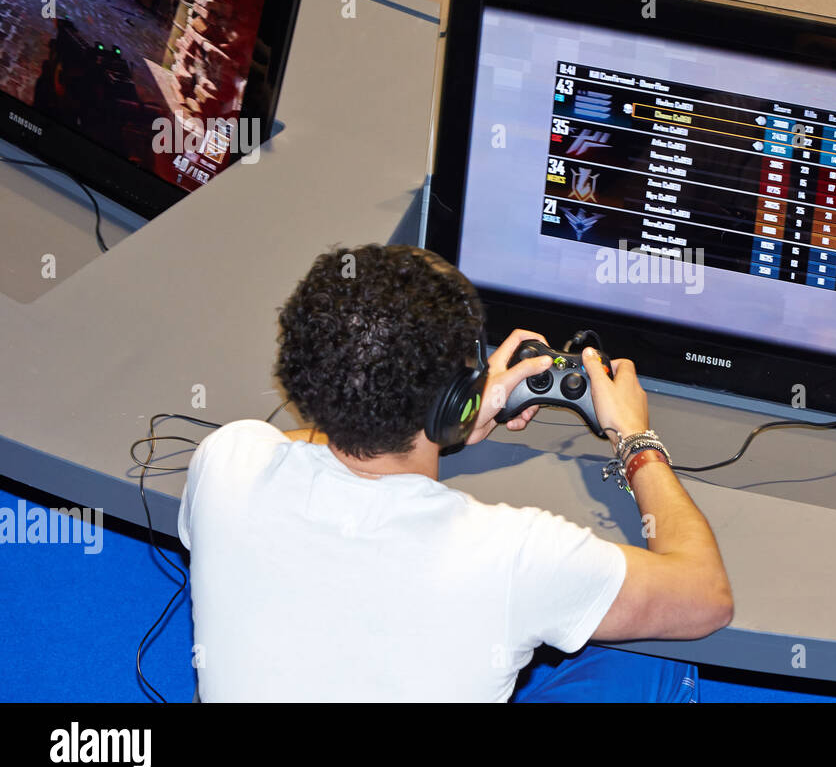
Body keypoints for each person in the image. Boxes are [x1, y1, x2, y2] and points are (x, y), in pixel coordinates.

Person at [178, 243, 732, 701]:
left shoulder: (225, 463)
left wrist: (446, 423)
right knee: (653, 670)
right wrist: (635, 440)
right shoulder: (516, 553)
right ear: (455, 395)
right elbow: (706, 598)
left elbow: (307, 440)